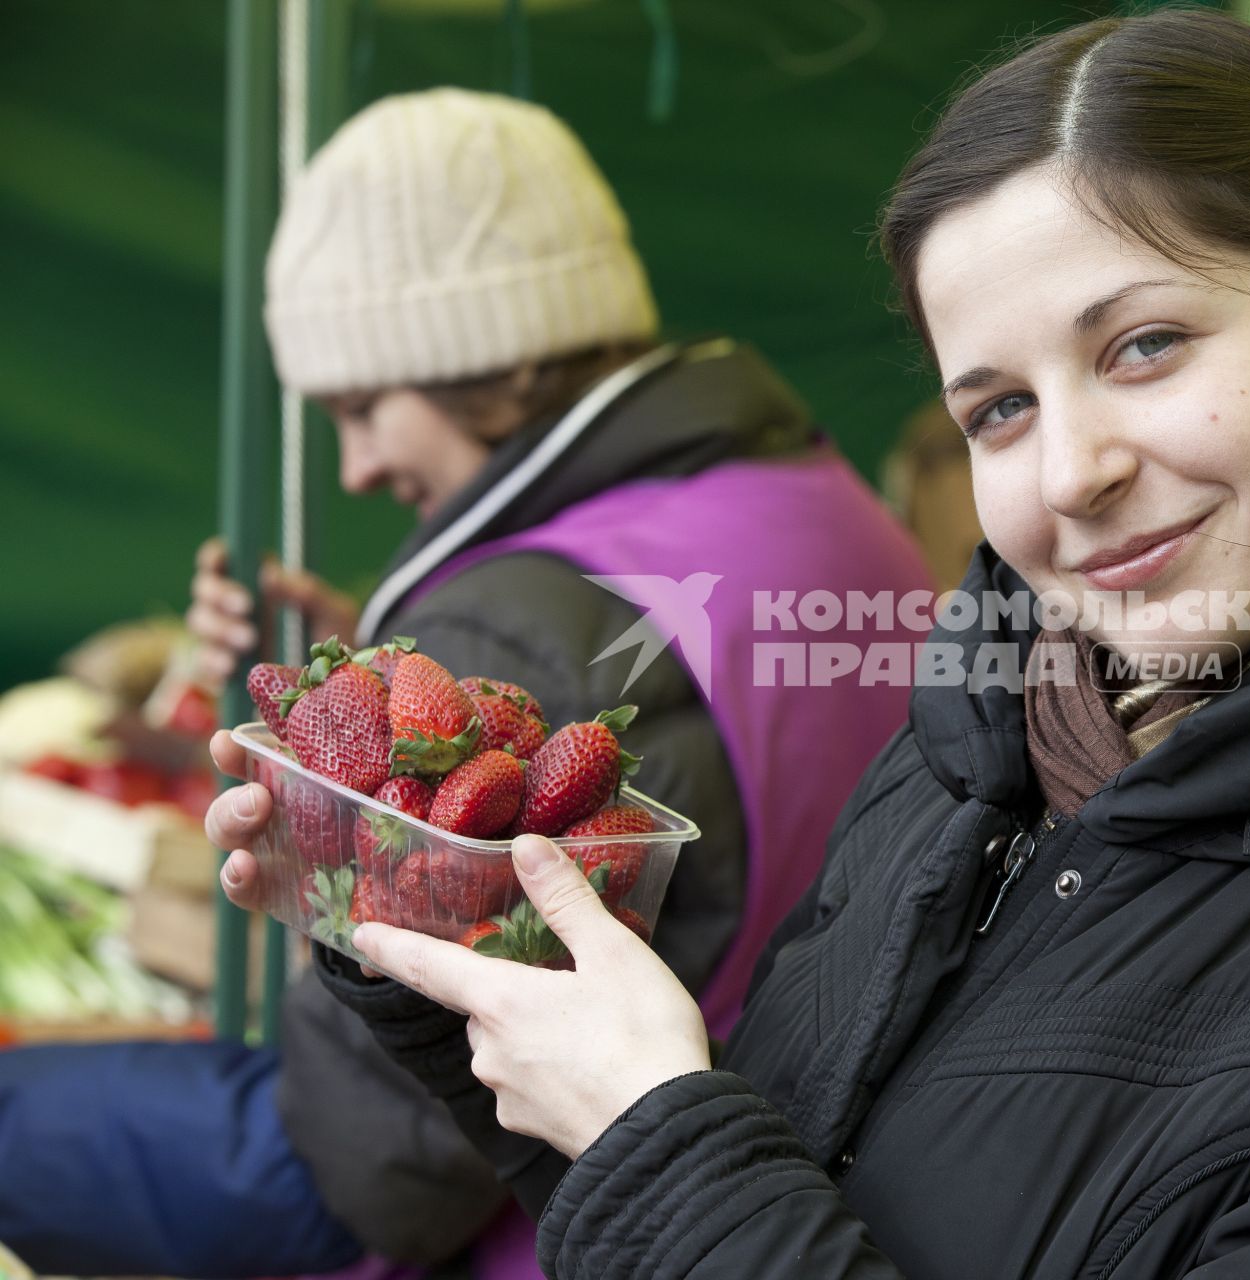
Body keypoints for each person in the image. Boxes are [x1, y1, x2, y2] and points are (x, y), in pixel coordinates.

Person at [209, 11, 1250, 1278]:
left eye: (1145, 345)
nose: (1071, 474)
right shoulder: (971, 757)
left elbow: (698, 1199)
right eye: (999, 406)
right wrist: (441, 952)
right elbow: (718, 1211)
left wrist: (657, 1139)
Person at [0, 88, 930, 1277]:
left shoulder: (520, 621)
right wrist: (405, 666)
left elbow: (376, 1163)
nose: (360, 462)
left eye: (363, 406)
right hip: (801, 1169)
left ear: (494, 352)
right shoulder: (812, 494)